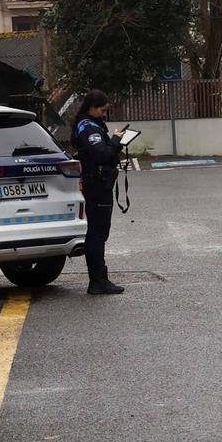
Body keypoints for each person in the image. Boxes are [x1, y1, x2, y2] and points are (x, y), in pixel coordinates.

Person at [72, 90, 125, 295]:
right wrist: (115, 140)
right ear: (91, 107)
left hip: (99, 184)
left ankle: (100, 278)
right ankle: (97, 280)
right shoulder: (87, 127)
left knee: (99, 231)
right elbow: (102, 154)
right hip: (96, 185)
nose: (104, 114)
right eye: (102, 110)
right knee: (97, 232)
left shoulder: (91, 124)